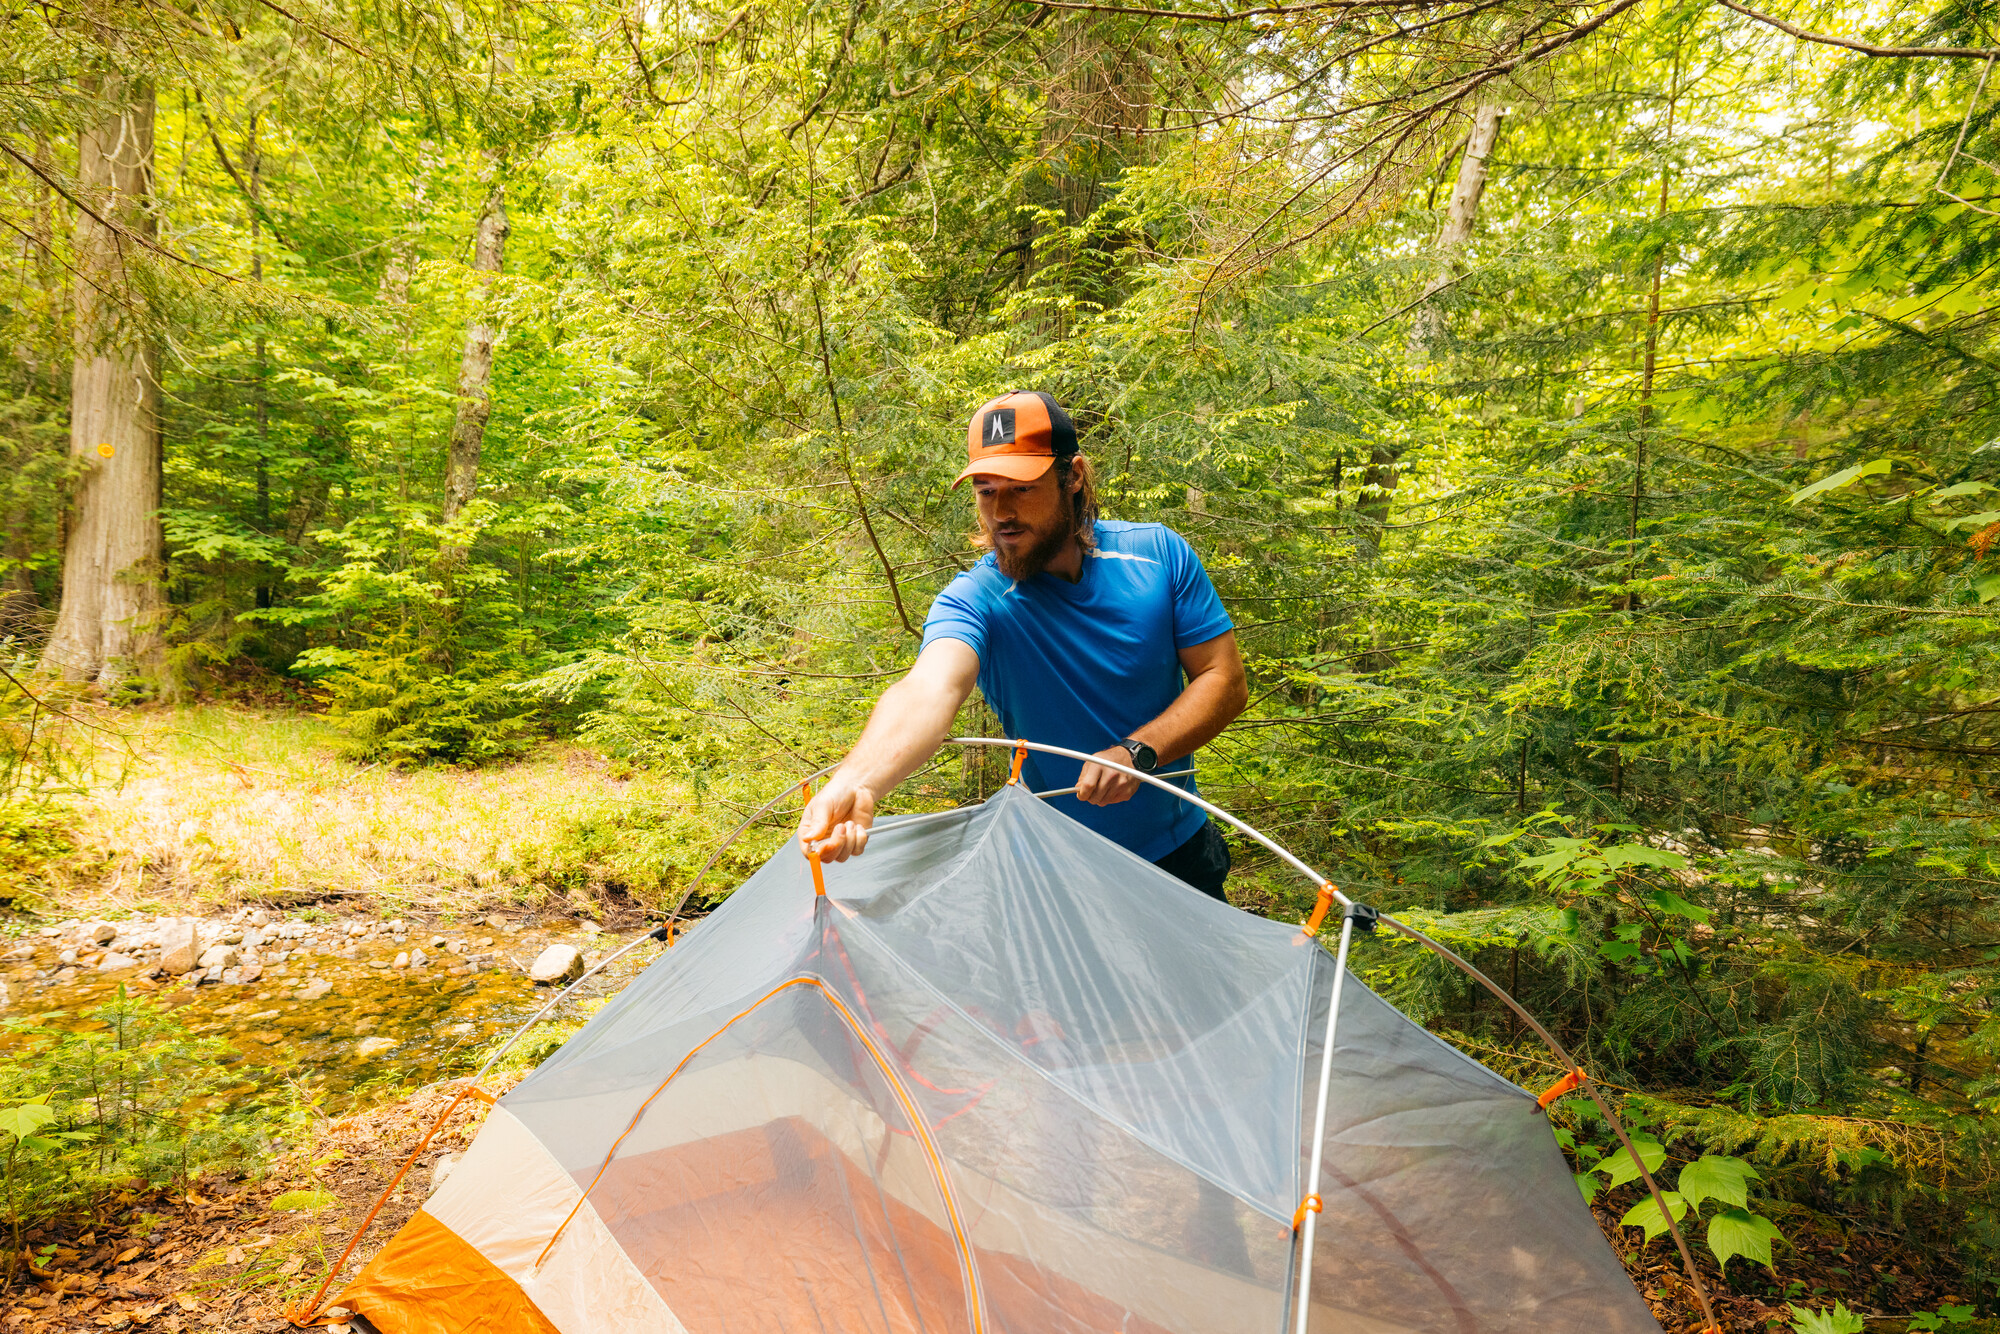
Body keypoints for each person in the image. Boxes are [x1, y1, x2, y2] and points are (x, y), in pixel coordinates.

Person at [796, 390, 1249, 901]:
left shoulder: (1158, 555)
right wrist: (859, 782)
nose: (1002, 512)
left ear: (1072, 475)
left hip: (1179, 855)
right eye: (986, 491)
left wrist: (1137, 753)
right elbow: (928, 691)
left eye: (1021, 488)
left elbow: (1224, 679)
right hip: (1056, 871)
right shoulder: (977, 600)